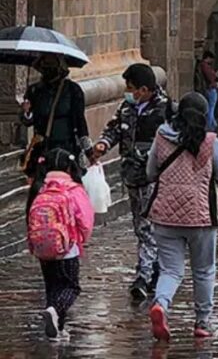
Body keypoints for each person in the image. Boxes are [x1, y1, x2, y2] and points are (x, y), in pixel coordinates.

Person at [146, 93, 218, 342]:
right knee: (204, 270)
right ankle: (202, 322)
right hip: (201, 217)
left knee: (170, 270)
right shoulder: (210, 141)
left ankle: (161, 303)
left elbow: (151, 172)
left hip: (165, 217)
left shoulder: (161, 137)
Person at [91, 63, 171, 302]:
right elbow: (114, 129)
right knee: (141, 225)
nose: (128, 91)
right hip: (132, 177)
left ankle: (144, 276)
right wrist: (103, 144)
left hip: (154, 178)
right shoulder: (128, 107)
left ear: (144, 90)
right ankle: (154, 269)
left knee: (147, 226)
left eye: (131, 87)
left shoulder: (165, 110)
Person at [26, 147, 94, 341]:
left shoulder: (39, 188)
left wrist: (33, 245)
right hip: (67, 248)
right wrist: (82, 239)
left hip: (42, 247)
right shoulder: (73, 189)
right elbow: (86, 220)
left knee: (52, 286)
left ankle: (57, 327)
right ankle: (55, 312)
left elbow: (29, 219)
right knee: (71, 287)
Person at [20, 55, 89, 179]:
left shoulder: (73, 90)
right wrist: (27, 112)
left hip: (67, 145)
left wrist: (88, 150)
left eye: (51, 66)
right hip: (43, 147)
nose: (47, 69)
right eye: (45, 65)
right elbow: (27, 121)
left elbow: (80, 121)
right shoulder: (35, 90)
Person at [197, 51, 218, 131]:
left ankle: (213, 125)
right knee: (211, 109)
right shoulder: (205, 66)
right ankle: (209, 126)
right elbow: (210, 77)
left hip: (208, 89)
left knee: (210, 108)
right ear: (208, 58)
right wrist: (215, 76)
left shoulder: (202, 65)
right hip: (210, 89)